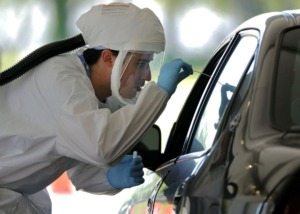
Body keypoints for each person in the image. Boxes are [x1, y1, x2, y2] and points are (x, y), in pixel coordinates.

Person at [0, 2, 193, 213]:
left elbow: (79, 166)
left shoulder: (95, 95)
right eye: (140, 63)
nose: (147, 76)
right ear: (109, 58)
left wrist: (109, 177)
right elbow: (102, 147)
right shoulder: (62, 80)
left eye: (149, 63)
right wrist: (160, 92)